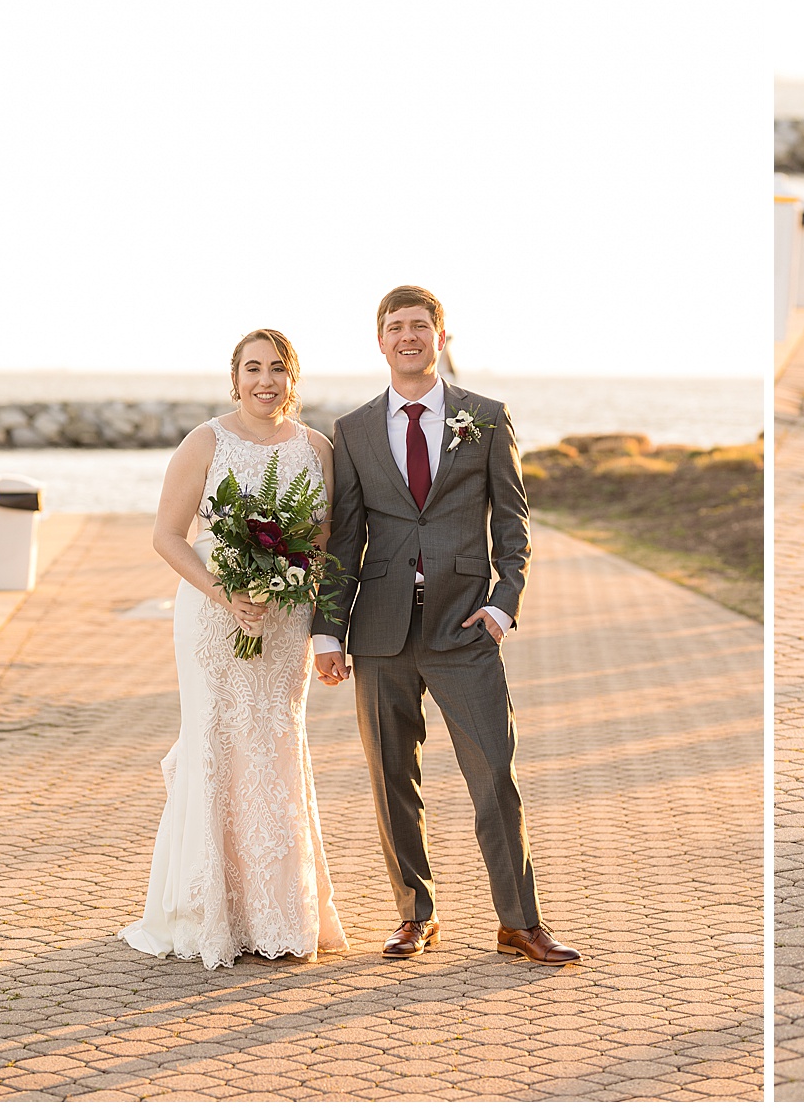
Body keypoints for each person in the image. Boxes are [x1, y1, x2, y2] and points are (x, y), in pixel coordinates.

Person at [311, 286, 578, 964]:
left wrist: (501, 604)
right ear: (380, 341)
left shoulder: (485, 418)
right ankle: (415, 915)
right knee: (391, 778)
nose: (409, 336)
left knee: (495, 773)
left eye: (420, 325)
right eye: (396, 327)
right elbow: (344, 540)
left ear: (440, 336)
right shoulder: (355, 430)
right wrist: (328, 632)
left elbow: (513, 521)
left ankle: (519, 922)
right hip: (381, 631)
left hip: (464, 629)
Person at [121, 329, 348, 968]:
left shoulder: (317, 448)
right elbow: (167, 536)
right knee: (218, 742)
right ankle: (211, 912)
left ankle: (280, 910)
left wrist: (299, 599)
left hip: (283, 624)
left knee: (275, 745)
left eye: (277, 369)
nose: (265, 381)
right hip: (213, 617)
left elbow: (323, 540)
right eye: (253, 369)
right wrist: (227, 593)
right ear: (235, 378)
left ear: (292, 378)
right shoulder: (205, 442)